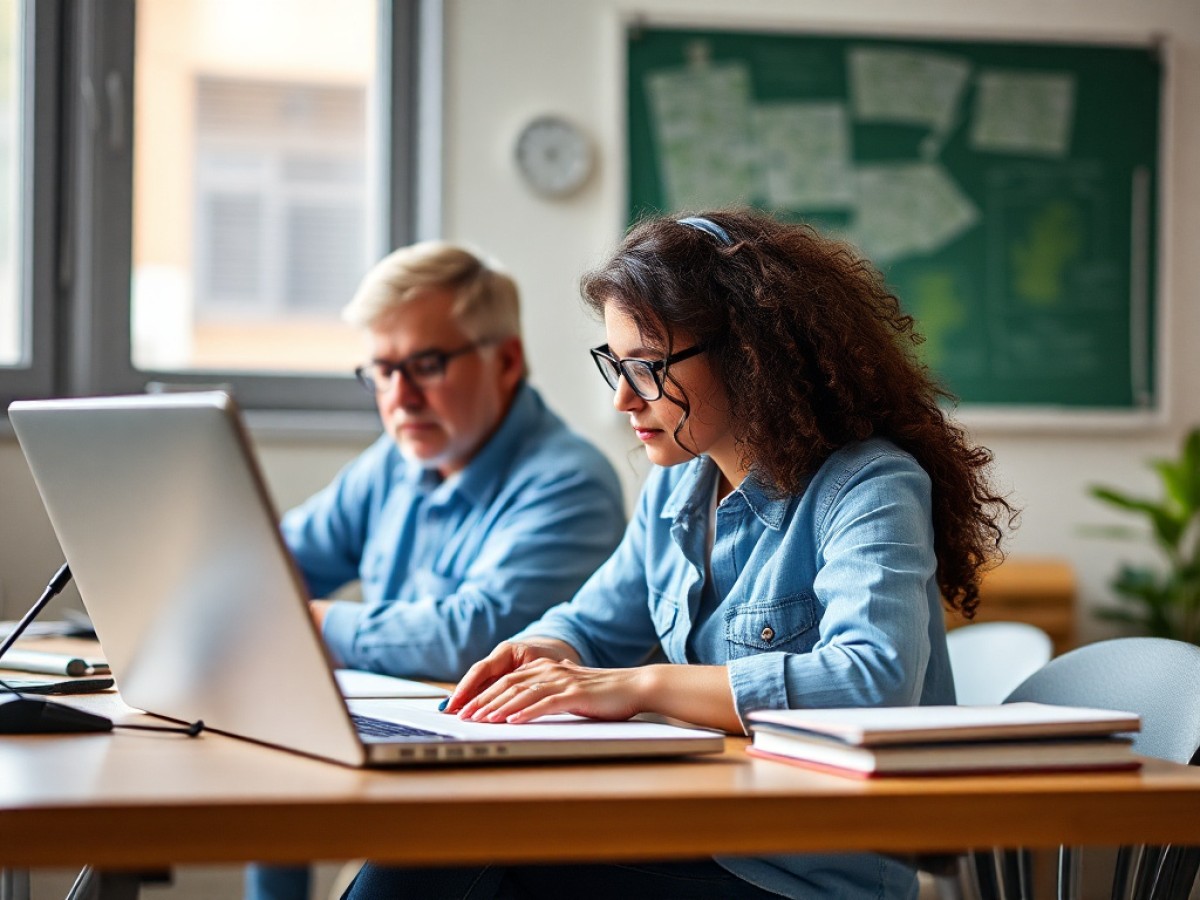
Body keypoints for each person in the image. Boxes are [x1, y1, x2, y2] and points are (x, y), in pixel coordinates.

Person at [341, 211, 1015, 900]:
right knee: (431, 844)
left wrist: (641, 685)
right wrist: (543, 650)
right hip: (703, 829)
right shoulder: (676, 488)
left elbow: (871, 680)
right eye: (616, 365)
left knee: (442, 855)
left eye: (648, 368)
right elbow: (592, 623)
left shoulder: (869, 485)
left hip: (803, 873)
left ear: (749, 355)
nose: (622, 399)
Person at [247, 241, 625, 900]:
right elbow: (269, 566)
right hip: (403, 755)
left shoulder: (570, 483)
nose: (401, 396)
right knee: (262, 763)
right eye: (382, 370)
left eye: (425, 364)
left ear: (506, 361)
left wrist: (310, 622)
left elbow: (478, 637)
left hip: (499, 787)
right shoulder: (392, 465)